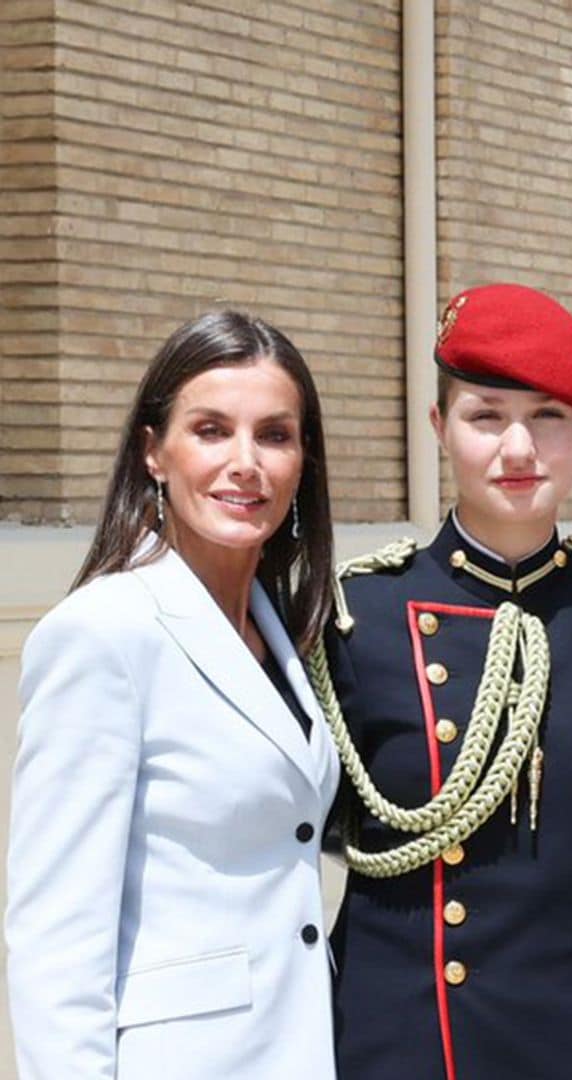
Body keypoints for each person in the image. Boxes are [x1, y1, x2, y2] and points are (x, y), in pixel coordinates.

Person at [310, 282, 572, 1079]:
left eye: (548, 417)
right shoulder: (356, 610)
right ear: (440, 428)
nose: (519, 449)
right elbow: (311, 826)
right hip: (407, 1034)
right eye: (486, 416)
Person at [6, 311, 340, 1079]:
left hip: (302, 1048)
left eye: (275, 435)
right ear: (155, 452)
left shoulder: (287, 631)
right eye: (212, 430)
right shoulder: (102, 633)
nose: (245, 462)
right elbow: (58, 935)